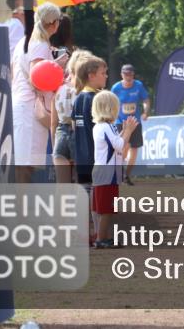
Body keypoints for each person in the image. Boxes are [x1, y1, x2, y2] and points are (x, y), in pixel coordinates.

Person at [10, 2, 64, 183]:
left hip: (22, 105)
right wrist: (58, 66)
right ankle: (21, 208)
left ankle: (21, 207)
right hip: (30, 109)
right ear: (54, 23)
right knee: (25, 165)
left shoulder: (24, 41)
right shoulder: (39, 44)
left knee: (24, 164)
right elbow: (38, 80)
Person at [90, 90, 137, 248]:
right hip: (108, 172)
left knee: (103, 208)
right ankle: (101, 239)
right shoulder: (106, 126)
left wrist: (124, 130)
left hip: (103, 171)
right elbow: (119, 145)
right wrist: (129, 131)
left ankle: (104, 237)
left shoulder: (100, 126)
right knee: (107, 209)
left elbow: (115, 143)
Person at [72, 54, 107, 243]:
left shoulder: (78, 98)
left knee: (86, 194)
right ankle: (99, 234)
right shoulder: (96, 99)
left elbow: (73, 125)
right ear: (91, 75)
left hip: (81, 156)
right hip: (95, 156)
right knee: (97, 195)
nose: (106, 76)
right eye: (103, 73)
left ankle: (85, 234)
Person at [52, 49, 91, 184]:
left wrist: (54, 143)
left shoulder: (59, 87)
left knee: (62, 185)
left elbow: (53, 122)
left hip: (61, 134)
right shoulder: (86, 90)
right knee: (83, 182)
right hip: (80, 134)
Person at [111, 64, 151, 186]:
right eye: (126, 74)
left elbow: (146, 100)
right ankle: (119, 174)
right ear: (122, 75)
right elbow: (111, 103)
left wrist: (145, 112)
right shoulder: (116, 88)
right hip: (121, 122)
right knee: (125, 147)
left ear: (133, 75)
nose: (128, 77)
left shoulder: (138, 85)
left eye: (130, 74)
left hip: (135, 122)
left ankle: (126, 175)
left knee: (134, 150)